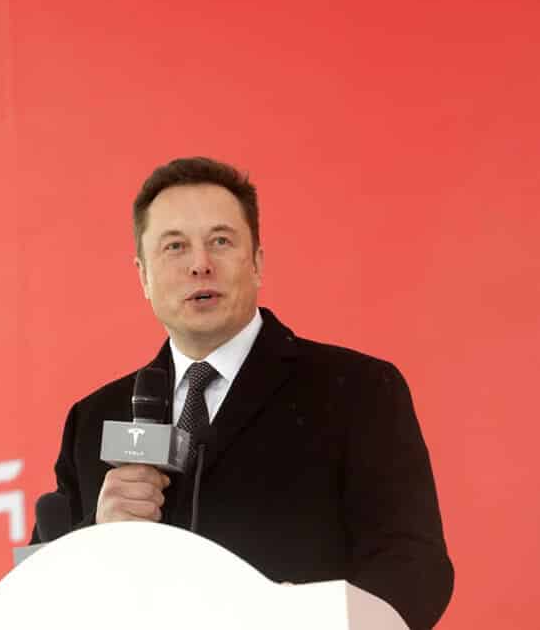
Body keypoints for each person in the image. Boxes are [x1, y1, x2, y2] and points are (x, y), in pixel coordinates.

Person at [33, 157, 453, 629]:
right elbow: (33, 597)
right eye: (175, 246)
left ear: (257, 262)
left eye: (221, 241)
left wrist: (314, 618)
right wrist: (95, 535)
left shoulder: (356, 390)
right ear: (143, 276)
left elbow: (414, 565)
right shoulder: (94, 418)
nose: (200, 265)